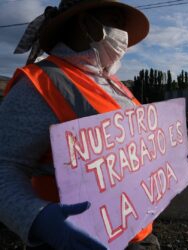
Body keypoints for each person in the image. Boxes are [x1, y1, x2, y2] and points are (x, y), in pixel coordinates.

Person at [0, 1, 161, 249]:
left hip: (140, 236)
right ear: (86, 23)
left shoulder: (113, 83)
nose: (124, 34)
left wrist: (168, 157)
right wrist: (36, 217)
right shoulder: (39, 85)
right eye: (116, 21)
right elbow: (5, 165)